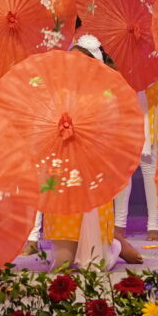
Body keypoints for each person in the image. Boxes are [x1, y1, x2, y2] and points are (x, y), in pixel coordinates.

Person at [43, 34, 126, 267]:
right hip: (62, 173)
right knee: (62, 264)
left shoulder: (106, 95)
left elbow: (112, 136)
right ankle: (113, 244)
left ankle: (115, 245)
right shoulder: (57, 93)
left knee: (93, 265)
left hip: (91, 172)